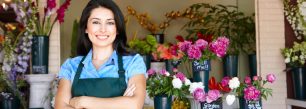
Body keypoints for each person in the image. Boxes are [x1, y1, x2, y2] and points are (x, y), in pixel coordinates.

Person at [55, 0, 146, 108]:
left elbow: (134, 105)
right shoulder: (70, 66)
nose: (103, 29)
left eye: (110, 23)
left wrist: (83, 101)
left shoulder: (133, 62)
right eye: (96, 22)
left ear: (117, 29)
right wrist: (120, 103)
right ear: (85, 28)